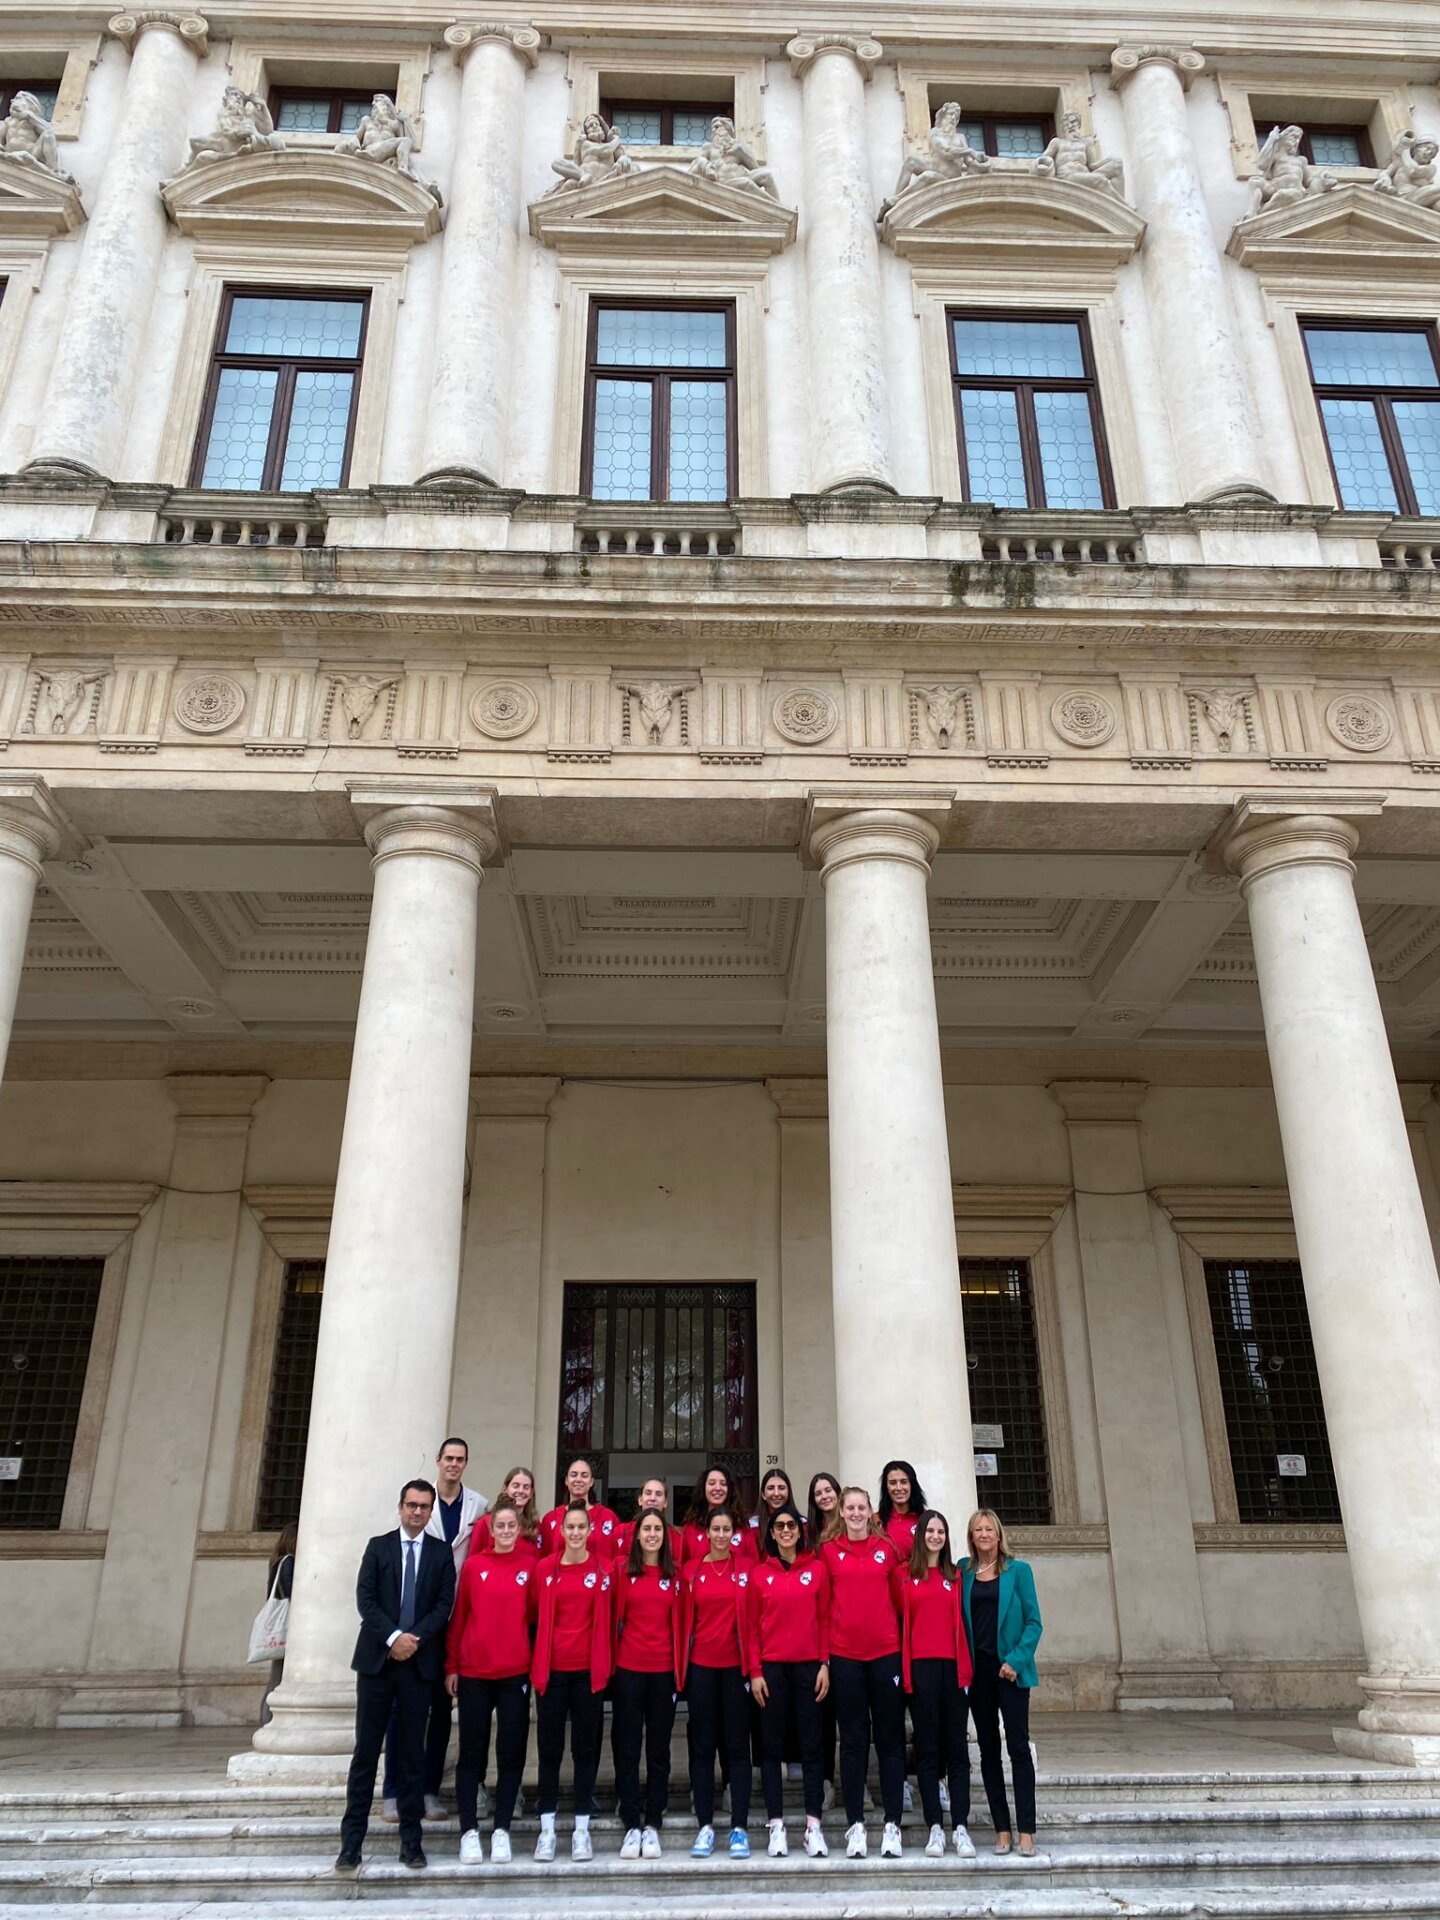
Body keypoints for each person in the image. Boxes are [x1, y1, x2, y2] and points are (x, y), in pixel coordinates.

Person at [335, 1480, 456, 1875]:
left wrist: (413, 1640)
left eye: (424, 1506)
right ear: (400, 1507)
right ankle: (351, 1844)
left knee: (410, 1757)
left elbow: (444, 1604)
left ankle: (411, 1842)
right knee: (366, 1755)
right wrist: (393, 1638)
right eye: (411, 1505)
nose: (417, 1512)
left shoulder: (440, 1554)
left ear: (431, 1511)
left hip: (418, 1668)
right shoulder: (378, 1547)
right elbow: (365, 1600)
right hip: (377, 1665)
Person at [446, 1499, 533, 1867]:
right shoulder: (474, 1566)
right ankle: (469, 1831)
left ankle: (501, 1831)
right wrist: (452, 1665)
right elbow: (460, 1616)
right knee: (471, 1753)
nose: (507, 1531)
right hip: (474, 1673)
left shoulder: (531, 1565)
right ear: (491, 1529)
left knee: (511, 1753)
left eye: (512, 1525)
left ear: (519, 1528)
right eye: (501, 1526)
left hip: (514, 1673)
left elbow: (536, 1619)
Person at [820, 1486, 905, 1859]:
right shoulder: (828, 1552)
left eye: (861, 1507)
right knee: (852, 1741)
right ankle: (855, 1824)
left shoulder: (888, 1550)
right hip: (845, 1656)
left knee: (889, 1739)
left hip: (886, 1654)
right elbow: (823, 1610)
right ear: (841, 1511)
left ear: (871, 1512)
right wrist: (824, 1660)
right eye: (849, 1507)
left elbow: (900, 1602)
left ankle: (892, 1825)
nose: (855, 1512)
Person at [530, 1502, 614, 1861]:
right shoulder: (544, 1569)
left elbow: (611, 1618)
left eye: (582, 1527)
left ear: (590, 1532)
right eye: (571, 1527)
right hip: (551, 1674)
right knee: (549, 1751)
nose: (577, 1533)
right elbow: (534, 1616)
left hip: (587, 1674)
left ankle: (582, 1829)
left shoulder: (603, 1569)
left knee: (584, 1751)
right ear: (560, 1532)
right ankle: (546, 1830)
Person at [748, 1501, 829, 1858]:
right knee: (771, 1749)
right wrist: (754, 1671)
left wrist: (825, 1664)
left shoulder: (818, 1570)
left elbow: (825, 1619)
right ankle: (776, 1825)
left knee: (811, 1747)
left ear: (800, 1532)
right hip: (771, 1671)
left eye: (791, 1526)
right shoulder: (758, 1574)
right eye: (779, 1526)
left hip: (809, 1667)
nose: (785, 1531)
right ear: (771, 1532)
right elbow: (750, 1627)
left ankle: (813, 1826)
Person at [962, 1508, 1043, 1858]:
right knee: (989, 1753)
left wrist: (1015, 1660)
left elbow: (1033, 1622)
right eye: (977, 1529)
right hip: (977, 1674)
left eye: (989, 1529)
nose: (983, 1534)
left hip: (1009, 1671)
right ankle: (1002, 1829)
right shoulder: (963, 1573)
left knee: (1019, 1750)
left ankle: (1026, 1829)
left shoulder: (1019, 1572)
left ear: (999, 1535)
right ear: (972, 1536)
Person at [898, 1511, 975, 1858]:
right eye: (930, 1530)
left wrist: (967, 1675)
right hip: (921, 1670)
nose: (935, 1536)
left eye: (941, 1531)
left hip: (954, 1670)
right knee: (927, 1751)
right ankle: (934, 1828)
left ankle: (960, 1827)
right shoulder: (904, 1576)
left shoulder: (957, 1576)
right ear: (920, 1535)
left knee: (956, 1750)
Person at [612, 1510, 687, 1859]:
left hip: (663, 1673)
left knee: (658, 1750)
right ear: (637, 1534)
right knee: (627, 1747)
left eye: (658, 1528)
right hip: (628, 1670)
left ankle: (653, 1820)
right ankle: (630, 1820)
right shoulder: (621, 1572)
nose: (653, 1534)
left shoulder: (676, 1577)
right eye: (647, 1528)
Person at [686, 1507, 754, 1859]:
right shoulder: (692, 1571)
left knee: (738, 1748)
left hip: (736, 1670)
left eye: (728, 1529)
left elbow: (755, 1621)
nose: (722, 1535)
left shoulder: (747, 1570)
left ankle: (739, 1826)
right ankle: (705, 1827)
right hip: (701, 1670)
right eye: (716, 1529)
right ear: (707, 1533)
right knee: (702, 1749)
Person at [805, 1471, 844, 1806]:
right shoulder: (809, 1534)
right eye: (818, 1493)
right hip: (821, 1627)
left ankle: (855, 1783)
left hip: (852, 1629)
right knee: (824, 1713)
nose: (824, 1496)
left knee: (853, 1715)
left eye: (828, 1490)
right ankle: (827, 1780)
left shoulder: (857, 1526)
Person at [539, 1456, 622, 1560]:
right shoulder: (550, 1519)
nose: (578, 1479)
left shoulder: (607, 1517)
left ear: (591, 1482)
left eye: (584, 1475)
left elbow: (618, 1558)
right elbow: (542, 1557)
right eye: (573, 1475)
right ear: (566, 1480)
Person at [680, 1463, 757, 1565]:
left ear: (730, 1489)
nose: (717, 1488)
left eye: (723, 1484)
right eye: (712, 1483)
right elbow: (684, 1569)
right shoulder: (690, 1529)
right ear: (703, 1488)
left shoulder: (743, 1528)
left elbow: (754, 1567)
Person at [259, 1523, 296, 1726]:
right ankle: (268, 1721)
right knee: (278, 1679)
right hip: (287, 1627)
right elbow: (292, 1593)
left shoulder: (277, 1561)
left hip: (280, 1629)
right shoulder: (289, 1562)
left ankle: (267, 1719)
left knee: (276, 1678)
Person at [470, 1465, 541, 1562]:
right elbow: (473, 1563)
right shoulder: (484, 1524)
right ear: (505, 1489)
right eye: (516, 1486)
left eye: (526, 1487)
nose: (521, 1491)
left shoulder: (535, 1526)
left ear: (531, 1493)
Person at [613, 1475, 683, 1561]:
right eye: (648, 1493)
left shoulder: (676, 1538)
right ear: (640, 1500)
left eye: (658, 1494)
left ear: (665, 1502)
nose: (653, 1498)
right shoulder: (621, 1531)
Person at [877, 1459, 928, 1558]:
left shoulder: (925, 1519)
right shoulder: (876, 1521)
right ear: (886, 1487)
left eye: (904, 1482)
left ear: (912, 1485)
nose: (899, 1488)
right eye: (893, 1483)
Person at [752, 1467, 799, 1553]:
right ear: (763, 1494)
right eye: (770, 1488)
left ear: (788, 1491)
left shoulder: (802, 1524)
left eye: (781, 1488)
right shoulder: (751, 1527)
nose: (776, 1493)